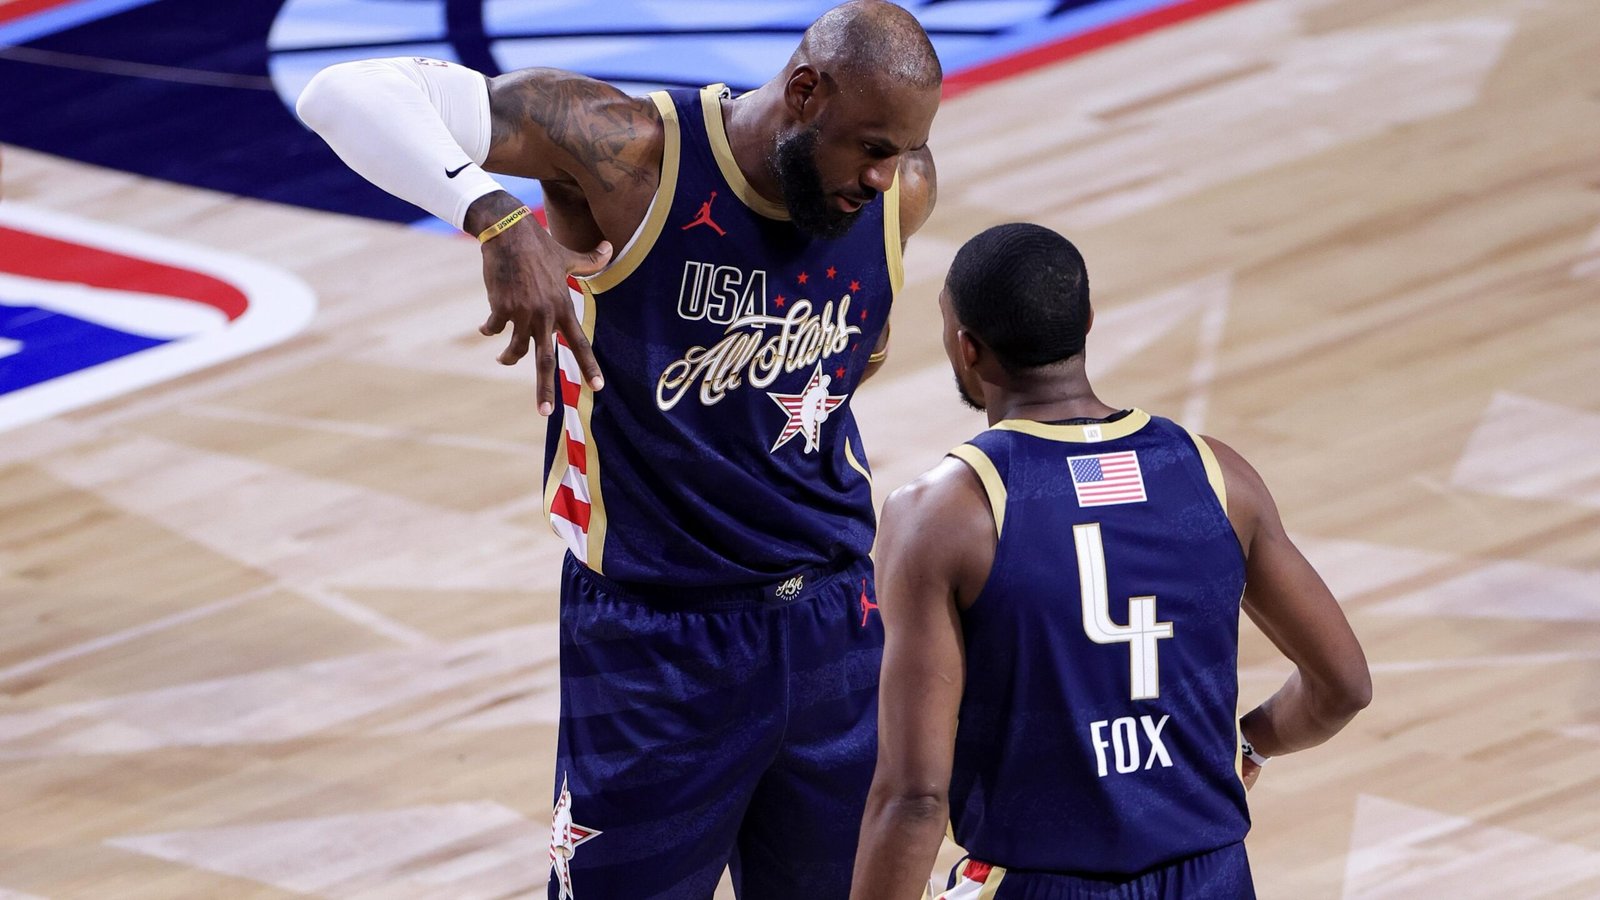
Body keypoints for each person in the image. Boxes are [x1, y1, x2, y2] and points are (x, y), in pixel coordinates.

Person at [294, 3, 940, 898]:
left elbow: (849, 359)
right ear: (803, 91)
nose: (883, 177)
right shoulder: (631, 151)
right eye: (871, 146)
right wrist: (491, 215)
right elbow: (340, 91)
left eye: (901, 152)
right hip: (655, 646)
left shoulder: (896, 194)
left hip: (834, 624)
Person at [851, 223, 1372, 899]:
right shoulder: (1218, 475)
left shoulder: (945, 515)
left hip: (1044, 883)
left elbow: (915, 797)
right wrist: (1245, 746)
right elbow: (1344, 686)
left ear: (965, 345)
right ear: (1088, 323)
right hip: (1211, 876)